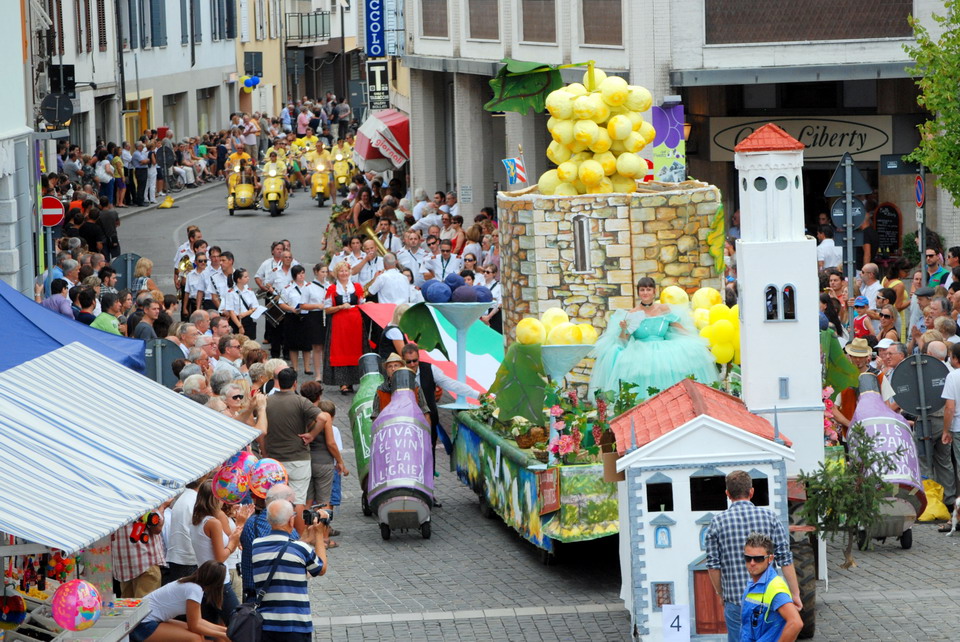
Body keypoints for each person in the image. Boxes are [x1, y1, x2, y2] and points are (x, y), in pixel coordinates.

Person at [705, 471, 800, 641]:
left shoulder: (717, 522)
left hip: (735, 601)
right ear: (752, 492)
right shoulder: (770, 517)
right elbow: (785, 558)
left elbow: (713, 565)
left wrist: (721, 594)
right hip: (767, 600)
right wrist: (795, 594)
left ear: (727, 494)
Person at [589, 277, 718, 399]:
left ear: (654, 292)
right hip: (641, 352)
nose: (645, 293)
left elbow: (678, 328)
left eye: (648, 289)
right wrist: (623, 329)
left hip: (665, 350)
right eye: (642, 290)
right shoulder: (632, 313)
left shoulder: (663, 309)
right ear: (638, 292)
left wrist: (696, 341)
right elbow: (624, 340)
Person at [251, 498, 328, 642]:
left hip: (267, 625)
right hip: (295, 625)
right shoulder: (300, 548)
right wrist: (318, 534)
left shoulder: (257, 546)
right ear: (291, 521)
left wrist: (303, 538)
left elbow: (285, 552)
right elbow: (321, 568)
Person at [188, 481, 252, 626]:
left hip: (204, 578)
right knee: (238, 624)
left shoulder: (196, 521)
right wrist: (232, 543)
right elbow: (220, 557)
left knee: (211, 625)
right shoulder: (212, 523)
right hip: (219, 581)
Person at [129, 561, 230, 642]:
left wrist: (224, 631)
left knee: (198, 635)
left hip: (143, 620)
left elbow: (198, 621)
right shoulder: (194, 589)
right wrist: (222, 634)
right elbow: (194, 626)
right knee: (195, 638)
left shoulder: (189, 583)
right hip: (142, 625)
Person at [265, 368, 321, 504]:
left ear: (277, 382)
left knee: (276, 500)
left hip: (275, 460)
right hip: (298, 458)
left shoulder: (267, 401)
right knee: (298, 500)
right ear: (295, 383)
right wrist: (312, 435)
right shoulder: (301, 401)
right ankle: (298, 526)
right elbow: (323, 418)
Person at [739, 532, 802, 642]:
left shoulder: (775, 588)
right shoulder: (753, 583)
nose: (752, 563)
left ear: (770, 558)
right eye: (748, 558)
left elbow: (796, 623)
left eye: (758, 559)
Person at [323, 260, 366, 394]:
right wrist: (341, 307)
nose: (344, 273)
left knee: (355, 349)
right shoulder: (332, 289)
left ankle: (352, 381)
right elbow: (327, 309)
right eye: (341, 271)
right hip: (339, 324)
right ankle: (342, 383)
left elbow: (363, 305)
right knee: (340, 350)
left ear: (350, 272)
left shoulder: (357, 287)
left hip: (355, 324)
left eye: (346, 270)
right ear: (336, 273)